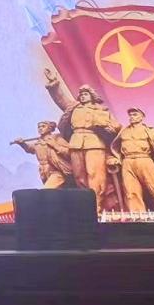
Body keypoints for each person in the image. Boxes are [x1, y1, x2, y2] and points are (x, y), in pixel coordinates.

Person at [48, 72, 121, 211]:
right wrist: (54, 85)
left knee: (95, 175)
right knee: (79, 177)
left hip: (94, 144)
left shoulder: (102, 111)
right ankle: (85, 205)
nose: (82, 96)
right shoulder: (74, 108)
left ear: (92, 96)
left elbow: (116, 127)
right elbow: (61, 99)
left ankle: (97, 206)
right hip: (76, 144)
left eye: (86, 94)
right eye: (81, 94)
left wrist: (108, 128)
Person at [11, 121, 73, 189]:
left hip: (56, 172)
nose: (40, 128)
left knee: (46, 190)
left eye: (43, 126)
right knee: (54, 192)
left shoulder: (57, 139)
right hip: (43, 171)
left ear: (49, 128)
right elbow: (30, 149)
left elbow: (70, 153)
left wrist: (55, 145)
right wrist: (22, 144)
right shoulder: (38, 142)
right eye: (39, 127)